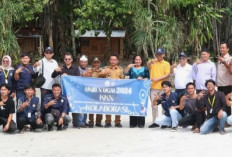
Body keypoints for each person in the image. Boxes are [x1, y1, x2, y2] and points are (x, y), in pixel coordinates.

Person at [99, 54, 125, 128]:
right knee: (108, 106)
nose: (113, 61)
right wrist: (104, 74)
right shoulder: (106, 69)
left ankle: (117, 122)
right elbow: (100, 76)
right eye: (111, 60)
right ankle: (108, 122)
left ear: (117, 61)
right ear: (109, 60)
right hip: (108, 91)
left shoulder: (120, 69)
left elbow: (123, 80)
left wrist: (121, 80)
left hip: (117, 91)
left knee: (117, 106)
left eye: (114, 60)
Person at [124, 55, 150, 128]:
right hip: (132, 90)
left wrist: (143, 78)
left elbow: (148, 78)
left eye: (139, 59)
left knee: (142, 105)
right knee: (132, 105)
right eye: (136, 59)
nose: (138, 61)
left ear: (141, 61)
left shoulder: (145, 69)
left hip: (142, 90)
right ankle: (133, 123)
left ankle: (141, 123)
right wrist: (128, 66)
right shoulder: (131, 69)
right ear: (134, 60)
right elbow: (125, 73)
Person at [147, 48, 170, 128]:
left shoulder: (166, 63)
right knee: (154, 105)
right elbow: (148, 65)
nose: (159, 56)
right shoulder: (153, 62)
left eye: (161, 54)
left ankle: (164, 122)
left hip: (163, 88)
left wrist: (157, 78)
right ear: (156, 55)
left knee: (164, 105)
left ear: (163, 54)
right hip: (153, 87)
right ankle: (155, 122)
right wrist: (151, 61)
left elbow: (167, 74)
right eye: (158, 54)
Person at [83, 57, 103, 128]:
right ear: (92, 63)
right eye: (94, 62)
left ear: (100, 63)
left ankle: (98, 122)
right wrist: (91, 71)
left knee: (100, 107)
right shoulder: (89, 70)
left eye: (97, 62)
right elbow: (83, 76)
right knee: (91, 107)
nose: (96, 64)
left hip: (100, 92)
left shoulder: (102, 71)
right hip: (91, 91)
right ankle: (91, 122)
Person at [216, 42, 232, 117]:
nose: (221, 49)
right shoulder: (219, 59)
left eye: (223, 48)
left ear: (228, 49)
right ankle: (222, 118)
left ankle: (228, 120)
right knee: (221, 102)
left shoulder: (230, 59)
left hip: (227, 84)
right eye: (221, 48)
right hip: (220, 84)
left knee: (227, 102)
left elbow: (230, 70)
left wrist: (224, 61)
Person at [72, 55, 88, 128]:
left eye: (85, 62)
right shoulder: (76, 69)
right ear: (79, 62)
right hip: (77, 91)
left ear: (87, 62)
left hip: (85, 91)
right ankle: (79, 122)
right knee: (79, 107)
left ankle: (84, 121)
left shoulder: (88, 70)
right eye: (82, 62)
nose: (83, 63)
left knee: (85, 106)